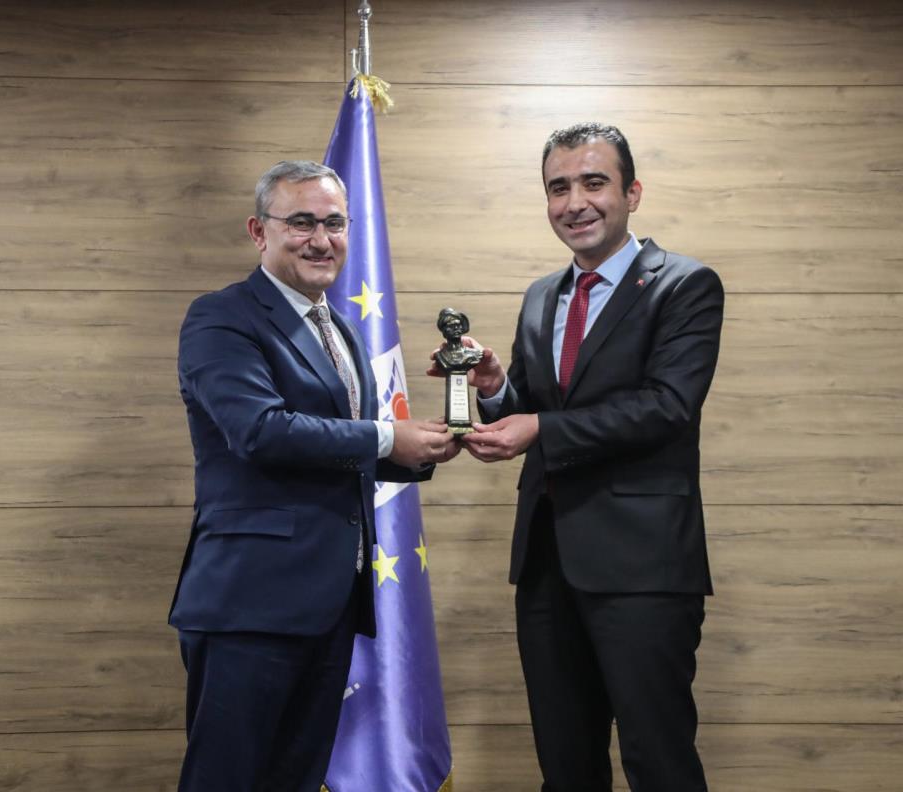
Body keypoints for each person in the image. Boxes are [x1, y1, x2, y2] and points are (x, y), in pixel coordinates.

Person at [434, 123, 724, 791]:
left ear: (632, 192)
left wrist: (538, 426)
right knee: (565, 767)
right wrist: (494, 389)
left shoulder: (685, 284)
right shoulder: (542, 295)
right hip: (547, 564)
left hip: (644, 566)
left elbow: (667, 407)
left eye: (594, 183)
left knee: (659, 762)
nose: (575, 202)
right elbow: (528, 410)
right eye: (558, 187)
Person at [169, 160, 460, 792]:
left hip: (329, 604)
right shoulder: (222, 317)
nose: (321, 240)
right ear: (259, 231)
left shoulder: (341, 331)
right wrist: (389, 436)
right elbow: (260, 431)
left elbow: (336, 449)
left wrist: (421, 450)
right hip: (249, 605)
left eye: (334, 223)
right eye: (301, 222)